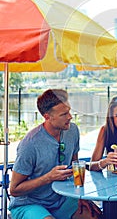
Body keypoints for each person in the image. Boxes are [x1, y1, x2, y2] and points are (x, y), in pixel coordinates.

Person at [9, 89, 81, 219]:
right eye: (64, 114)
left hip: (62, 199)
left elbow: (75, 166)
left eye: (69, 111)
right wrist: (48, 177)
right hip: (29, 204)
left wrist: (82, 198)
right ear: (47, 117)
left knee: (94, 215)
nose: (70, 116)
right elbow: (14, 190)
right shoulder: (30, 144)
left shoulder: (73, 130)